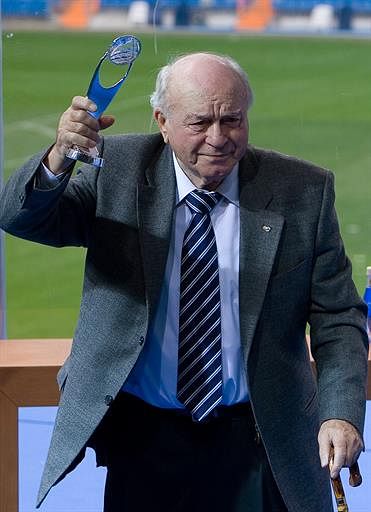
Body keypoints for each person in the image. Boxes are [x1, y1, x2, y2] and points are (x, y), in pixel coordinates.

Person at [0, 52, 368, 512]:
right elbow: (20, 218)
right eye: (199, 123)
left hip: (258, 436)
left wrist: (341, 413)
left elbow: (338, 317)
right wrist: (58, 158)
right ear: (163, 121)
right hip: (143, 439)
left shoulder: (303, 191)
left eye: (232, 119)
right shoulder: (117, 170)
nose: (218, 138)